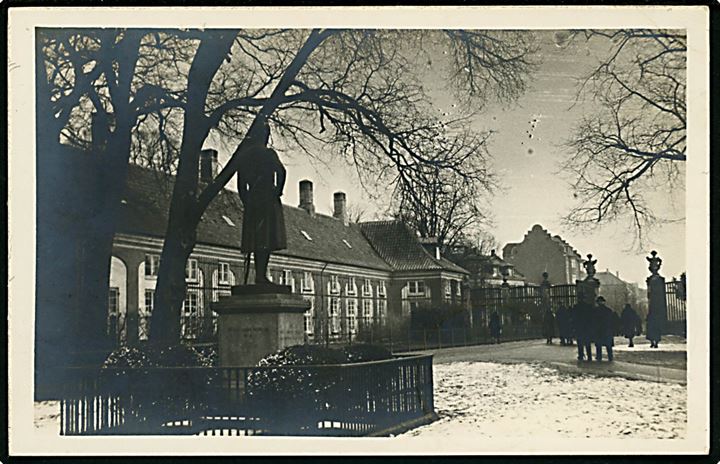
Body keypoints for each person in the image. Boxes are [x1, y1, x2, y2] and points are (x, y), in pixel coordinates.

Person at [236, 119, 287, 285]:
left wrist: (247, 201)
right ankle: (261, 276)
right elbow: (282, 172)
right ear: (264, 136)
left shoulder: (245, 157)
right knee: (266, 239)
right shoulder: (268, 154)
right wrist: (277, 191)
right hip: (267, 199)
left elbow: (241, 184)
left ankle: (260, 276)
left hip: (253, 200)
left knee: (257, 239)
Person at [593, 296, 614, 361]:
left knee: (599, 345)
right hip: (607, 329)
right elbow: (612, 320)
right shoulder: (609, 310)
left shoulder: (595, 311)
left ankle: (599, 357)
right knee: (608, 345)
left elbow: (593, 321)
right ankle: (610, 356)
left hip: (599, 329)